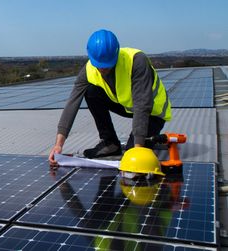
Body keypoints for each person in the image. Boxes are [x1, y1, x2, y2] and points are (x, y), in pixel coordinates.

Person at [48, 29, 171, 166]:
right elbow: (72, 103)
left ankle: (147, 140)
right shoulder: (88, 69)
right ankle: (110, 142)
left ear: (116, 53)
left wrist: (138, 148)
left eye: (107, 66)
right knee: (91, 91)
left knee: (132, 154)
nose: (102, 70)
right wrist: (58, 145)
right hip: (127, 107)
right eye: (99, 66)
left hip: (153, 112)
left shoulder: (136, 61)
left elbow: (142, 105)